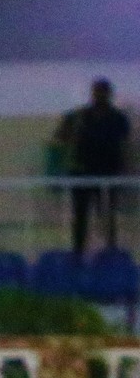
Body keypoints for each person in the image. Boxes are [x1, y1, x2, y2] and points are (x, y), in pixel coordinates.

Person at [53, 79, 131, 256]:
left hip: (109, 175)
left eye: (103, 92)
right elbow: (60, 137)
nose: (100, 95)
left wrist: (124, 172)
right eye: (97, 92)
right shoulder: (78, 117)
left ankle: (110, 253)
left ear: (109, 94)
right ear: (92, 93)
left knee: (108, 216)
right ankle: (78, 253)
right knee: (80, 216)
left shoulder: (118, 118)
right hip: (82, 174)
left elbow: (124, 146)